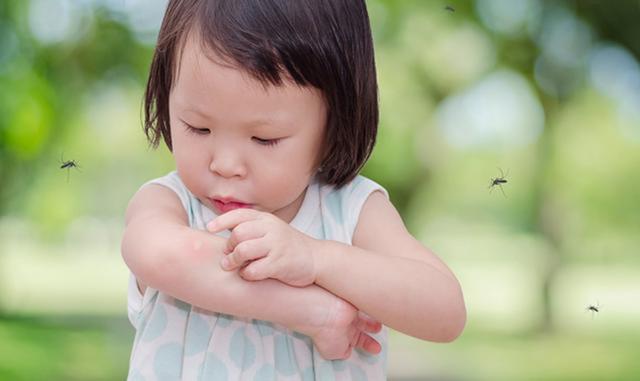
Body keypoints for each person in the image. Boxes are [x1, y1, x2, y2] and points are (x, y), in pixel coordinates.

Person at [121, 0, 466, 379]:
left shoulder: (350, 211)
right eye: (198, 128)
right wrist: (310, 310)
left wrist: (316, 259)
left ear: (335, 122)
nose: (225, 164)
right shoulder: (170, 204)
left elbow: (445, 311)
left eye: (264, 138)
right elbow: (158, 256)